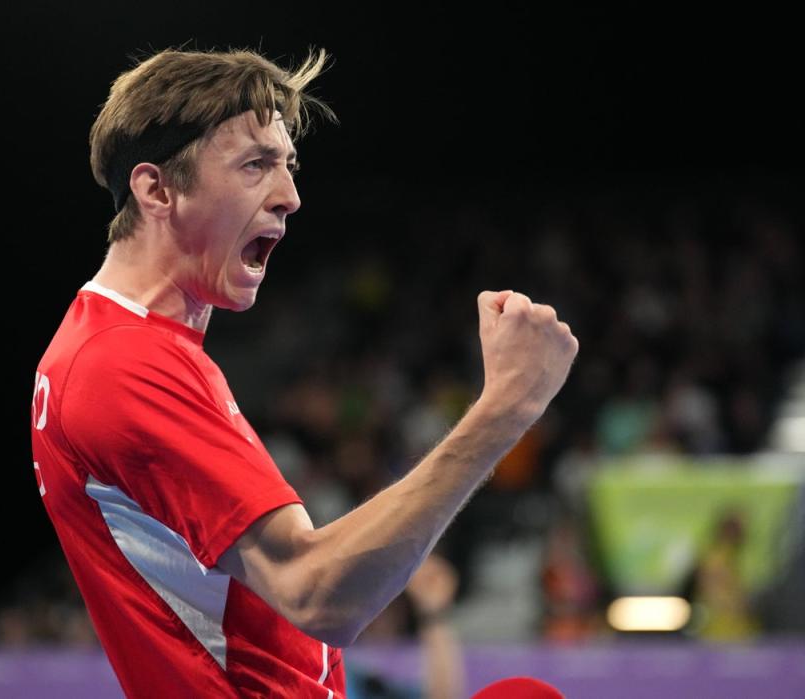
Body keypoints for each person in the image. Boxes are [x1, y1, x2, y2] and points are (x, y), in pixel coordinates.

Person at [30, 46, 578, 699]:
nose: (290, 196)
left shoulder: (110, 343)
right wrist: (505, 409)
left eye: (289, 166)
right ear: (157, 189)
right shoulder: (123, 364)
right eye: (256, 165)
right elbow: (318, 593)